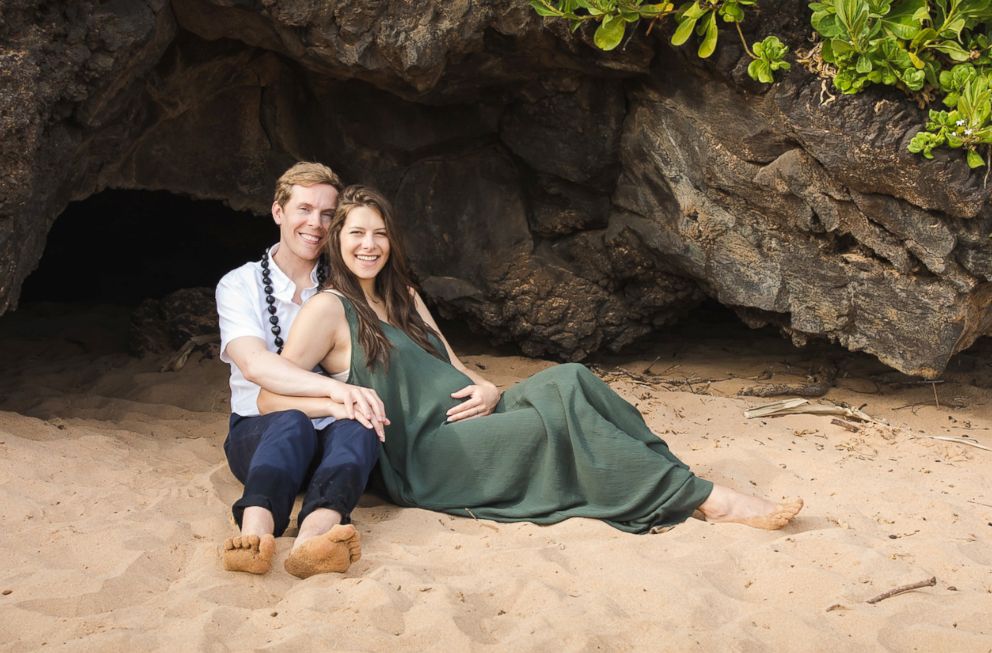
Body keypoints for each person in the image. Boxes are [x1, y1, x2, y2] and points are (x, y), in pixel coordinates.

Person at [259, 185, 804, 534]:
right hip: (429, 451)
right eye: (356, 233)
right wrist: (339, 394)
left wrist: (490, 388)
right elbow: (268, 394)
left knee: (572, 380)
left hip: (476, 412)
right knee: (554, 430)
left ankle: (672, 478)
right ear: (337, 241)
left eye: (379, 233)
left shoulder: (402, 293)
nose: (369, 245)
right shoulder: (328, 310)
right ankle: (709, 501)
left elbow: (453, 361)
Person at [215, 163, 389, 578]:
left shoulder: (346, 283)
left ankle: (315, 536)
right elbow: (255, 364)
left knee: (360, 425)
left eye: (328, 214)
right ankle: (255, 534)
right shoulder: (238, 285)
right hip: (259, 434)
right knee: (290, 421)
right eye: (304, 209)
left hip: (331, 438)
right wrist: (336, 393)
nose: (316, 223)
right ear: (278, 212)